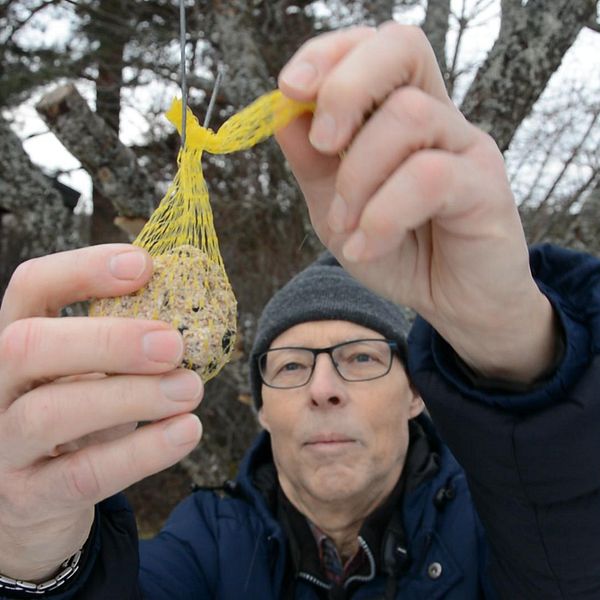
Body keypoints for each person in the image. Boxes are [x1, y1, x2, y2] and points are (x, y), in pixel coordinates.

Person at [0, 21, 599, 600]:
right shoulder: (204, 546)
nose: (323, 388)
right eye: (289, 367)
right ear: (261, 410)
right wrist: (34, 563)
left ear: (418, 393)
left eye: (361, 357)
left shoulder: (504, 528)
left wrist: (511, 349)